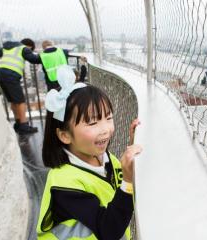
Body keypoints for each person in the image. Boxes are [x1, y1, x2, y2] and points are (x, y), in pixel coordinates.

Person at [37, 65, 142, 240]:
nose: (105, 129)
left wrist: (132, 145)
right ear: (64, 135)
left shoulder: (103, 157)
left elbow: (117, 177)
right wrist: (128, 182)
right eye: (93, 123)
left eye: (108, 118)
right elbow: (108, 231)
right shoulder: (64, 183)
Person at [0, 38, 39, 134]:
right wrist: (45, 55)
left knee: (13, 101)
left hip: (1, 75)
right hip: (11, 75)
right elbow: (34, 59)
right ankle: (24, 126)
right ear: (29, 46)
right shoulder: (24, 49)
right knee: (20, 101)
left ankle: (18, 123)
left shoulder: (7, 48)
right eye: (31, 50)